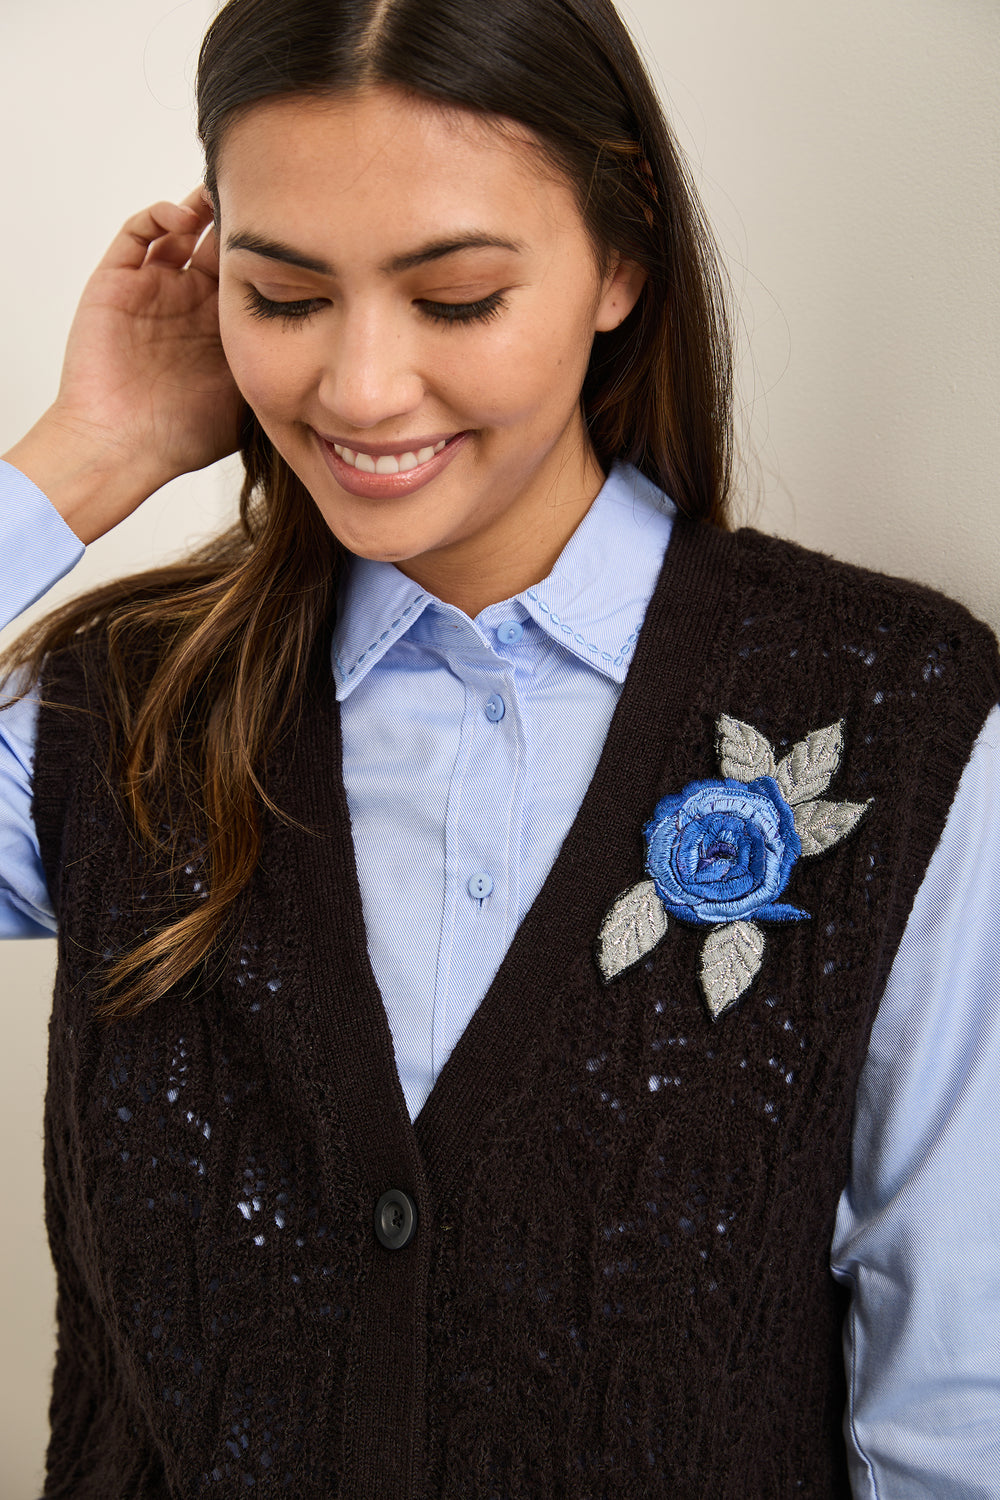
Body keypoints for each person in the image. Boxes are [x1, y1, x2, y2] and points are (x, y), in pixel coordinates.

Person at [1, 0, 998, 1493]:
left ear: (621, 262)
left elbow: (954, 1399)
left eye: (454, 298)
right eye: (281, 299)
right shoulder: (125, 713)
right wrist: (85, 453)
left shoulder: (887, 710)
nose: (360, 389)